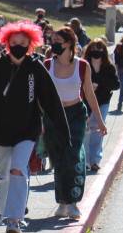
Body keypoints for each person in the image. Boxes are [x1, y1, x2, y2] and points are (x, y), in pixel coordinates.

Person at [0, 21, 68, 233]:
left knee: (18, 169)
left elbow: (51, 101)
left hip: (27, 130)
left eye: (23, 43)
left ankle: (14, 219)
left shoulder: (36, 68)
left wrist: (63, 133)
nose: (18, 46)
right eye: (14, 42)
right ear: (6, 43)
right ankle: (6, 213)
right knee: (3, 175)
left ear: (31, 44)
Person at [44, 26, 108, 220]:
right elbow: (42, 95)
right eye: (52, 41)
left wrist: (99, 119)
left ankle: (72, 202)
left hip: (75, 114)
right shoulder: (47, 65)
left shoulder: (82, 66)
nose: (54, 45)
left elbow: (89, 93)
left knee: (73, 155)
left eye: (58, 42)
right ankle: (62, 202)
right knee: (58, 158)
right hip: (54, 116)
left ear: (70, 43)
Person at [83, 38, 120, 172]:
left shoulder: (108, 67)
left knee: (98, 130)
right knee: (85, 131)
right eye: (93, 49)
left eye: (99, 49)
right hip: (86, 102)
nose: (96, 52)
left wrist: (100, 83)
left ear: (104, 51)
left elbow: (116, 85)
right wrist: (89, 85)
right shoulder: (84, 65)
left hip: (102, 102)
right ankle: (85, 160)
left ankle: (95, 160)